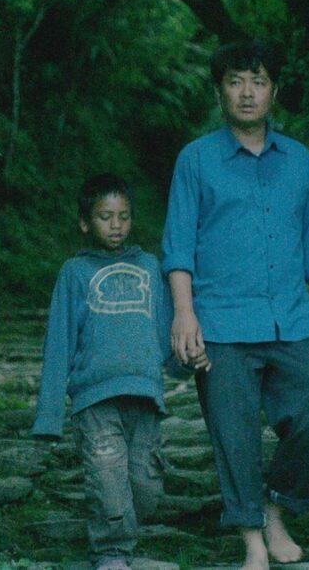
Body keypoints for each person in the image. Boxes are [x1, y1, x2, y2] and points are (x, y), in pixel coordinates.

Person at [161, 39, 309, 569]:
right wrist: (184, 313)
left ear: (274, 91)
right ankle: (253, 540)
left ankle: (278, 507)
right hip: (221, 323)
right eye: (235, 82)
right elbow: (178, 245)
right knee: (234, 436)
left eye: (257, 82)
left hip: (291, 317)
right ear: (219, 92)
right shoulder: (196, 159)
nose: (246, 92)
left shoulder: (298, 159)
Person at [32, 173, 208, 570]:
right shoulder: (74, 273)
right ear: (84, 223)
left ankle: (121, 533)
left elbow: (167, 331)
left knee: (145, 486)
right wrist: (48, 416)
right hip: (95, 400)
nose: (116, 226)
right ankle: (111, 553)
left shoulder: (150, 267)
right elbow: (58, 344)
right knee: (108, 479)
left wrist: (185, 361)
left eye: (124, 217)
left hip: (144, 398)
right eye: (105, 217)